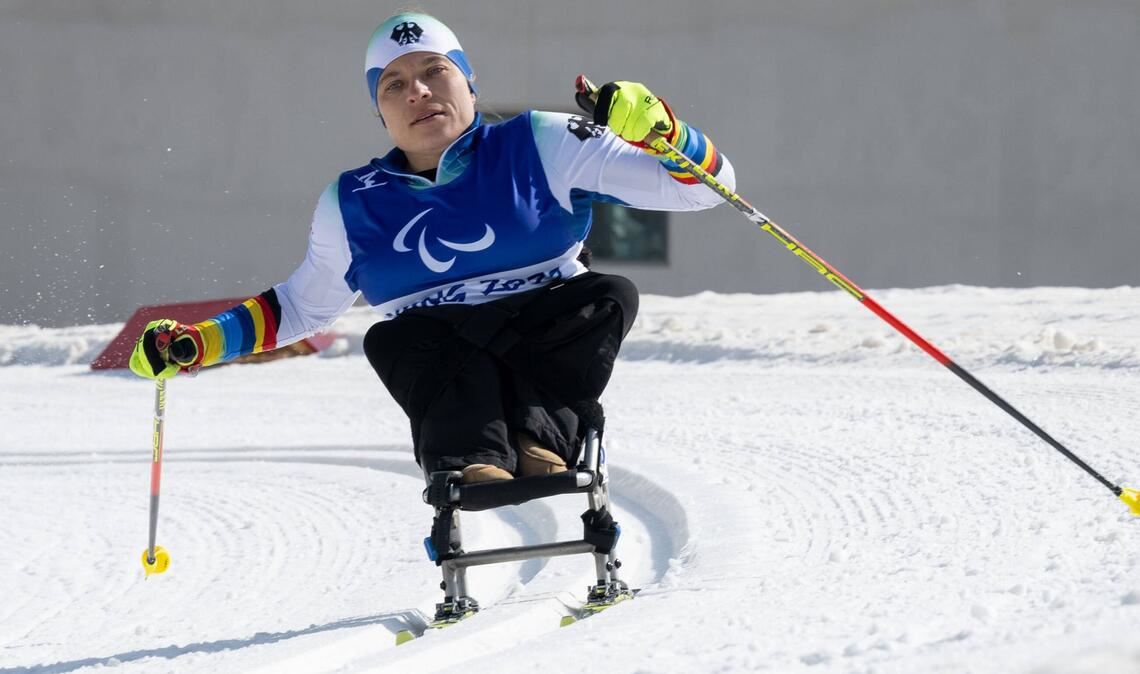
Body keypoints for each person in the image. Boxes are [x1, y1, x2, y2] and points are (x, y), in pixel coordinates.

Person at [129, 11, 735, 484]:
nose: (417, 91)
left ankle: (540, 439)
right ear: (380, 112)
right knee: (393, 338)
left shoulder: (540, 142)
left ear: (468, 81)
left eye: (434, 71)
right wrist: (199, 342)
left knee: (608, 293)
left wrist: (664, 132)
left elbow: (708, 190)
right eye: (394, 84)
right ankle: (475, 458)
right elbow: (300, 307)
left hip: (542, 325)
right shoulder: (352, 201)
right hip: (441, 347)